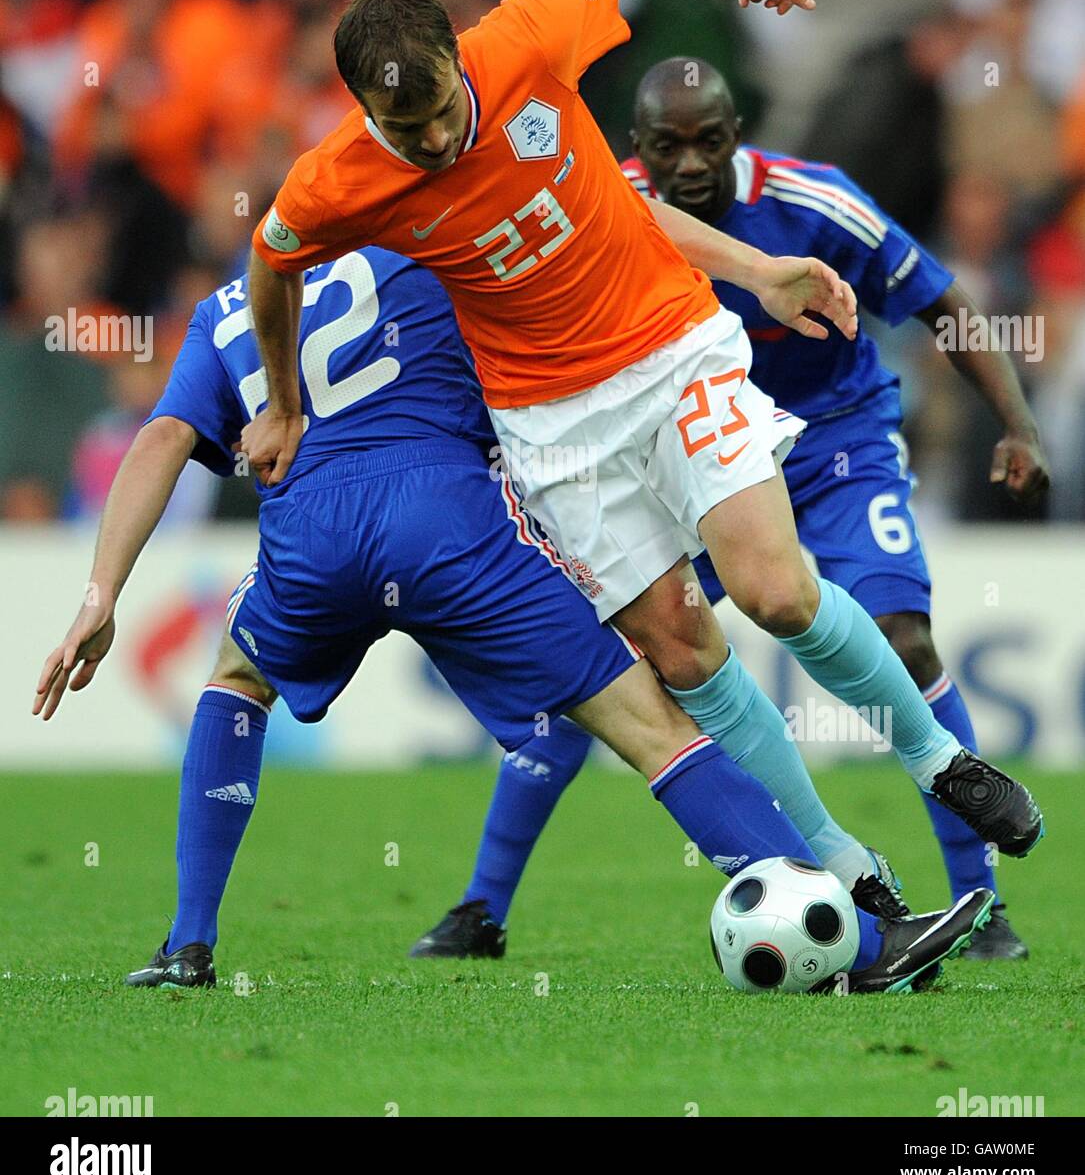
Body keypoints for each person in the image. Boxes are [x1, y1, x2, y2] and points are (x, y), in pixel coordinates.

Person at [240, 0, 1042, 921]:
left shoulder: (526, 37)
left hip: (668, 349)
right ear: (365, 111)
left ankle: (937, 761)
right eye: (408, 132)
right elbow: (270, 258)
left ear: (456, 60)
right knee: (681, 650)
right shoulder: (335, 179)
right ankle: (836, 864)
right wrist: (284, 403)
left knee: (775, 592)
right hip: (548, 424)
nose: (437, 140)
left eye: (443, 110)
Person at [32, 248, 994, 994]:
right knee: (649, 726)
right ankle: (862, 940)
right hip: (450, 522)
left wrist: (100, 596)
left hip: (312, 541)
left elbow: (162, 434)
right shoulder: (434, 254)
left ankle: (188, 944)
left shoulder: (226, 306)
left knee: (236, 680)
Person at [412, 59, 1049, 960]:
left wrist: (1017, 423)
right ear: (635, 148)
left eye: (707, 141)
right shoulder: (586, 206)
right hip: (671, 444)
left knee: (901, 633)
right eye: (667, 147)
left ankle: (980, 902)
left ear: (736, 132)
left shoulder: (815, 203)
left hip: (831, 439)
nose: (690, 164)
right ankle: (482, 907)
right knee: (607, 677)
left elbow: (941, 298)